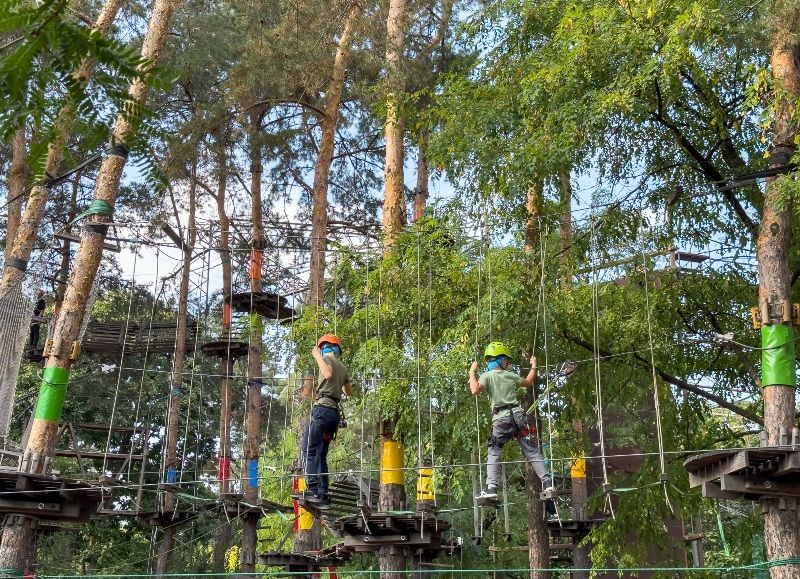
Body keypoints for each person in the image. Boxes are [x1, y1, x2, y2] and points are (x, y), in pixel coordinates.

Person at [469, 341, 555, 502]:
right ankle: (547, 482)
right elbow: (528, 383)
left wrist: (472, 372)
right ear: (502, 361)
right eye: (506, 360)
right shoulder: (510, 375)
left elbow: (474, 390)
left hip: (501, 419)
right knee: (531, 451)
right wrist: (534, 366)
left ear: (491, 360)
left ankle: (491, 488)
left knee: (494, 453)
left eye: (488, 360)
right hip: (518, 416)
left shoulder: (486, 376)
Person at [302, 333, 351, 509]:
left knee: (309, 449)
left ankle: (314, 489)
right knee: (321, 453)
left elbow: (328, 374)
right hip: (333, 415)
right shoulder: (343, 367)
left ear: (324, 347)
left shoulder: (326, 360)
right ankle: (322, 492)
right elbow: (348, 392)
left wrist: (317, 357)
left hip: (322, 410)